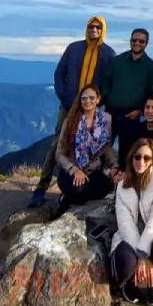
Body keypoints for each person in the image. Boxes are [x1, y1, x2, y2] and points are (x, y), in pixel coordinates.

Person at [29, 16, 116, 207]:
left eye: (98, 27)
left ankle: (85, 182)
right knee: (57, 145)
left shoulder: (108, 54)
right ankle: (41, 188)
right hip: (69, 106)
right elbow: (59, 73)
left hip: (93, 109)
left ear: (103, 30)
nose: (94, 30)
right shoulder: (74, 48)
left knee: (97, 145)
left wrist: (99, 101)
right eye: (91, 26)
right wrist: (65, 97)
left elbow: (110, 83)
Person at [109, 138, 153, 306]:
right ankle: (131, 285)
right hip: (131, 240)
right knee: (126, 261)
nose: (141, 161)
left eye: (146, 158)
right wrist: (140, 257)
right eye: (137, 157)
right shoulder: (122, 186)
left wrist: (143, 255)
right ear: (131, 158)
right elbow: (125, 224)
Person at [53, 83, 118, 216]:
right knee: (80, 190)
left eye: (92, 98)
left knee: (107, 186)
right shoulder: (71, 120)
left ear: (98, 99)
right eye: (84, 98)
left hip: (93, 170)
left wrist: (114, 166)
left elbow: (106, 147)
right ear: (80, 100)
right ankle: (66, 200)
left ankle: (74, 196)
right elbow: (59, 153)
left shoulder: (105, 120)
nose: (88, 101)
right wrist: (74, 170)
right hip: (71, 170)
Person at [101, 28, 153, 167]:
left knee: (127, 152)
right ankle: (98, 182)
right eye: (134, 40)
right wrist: (107, 98)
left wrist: (140, 111)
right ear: (130, 41)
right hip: (111, 112)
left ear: (146, 43)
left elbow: (152, 93)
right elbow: (106, 81)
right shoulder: (117, 61)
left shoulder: (151, 66)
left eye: (141, 41)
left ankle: (122, 184)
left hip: (132, 115)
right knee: (101, 147)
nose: (137, 43)